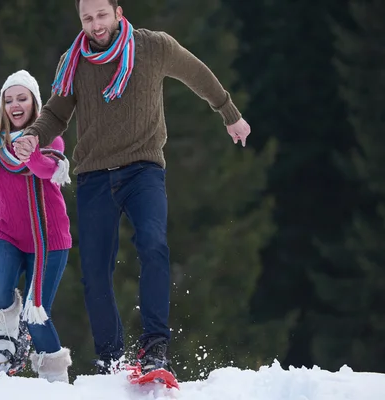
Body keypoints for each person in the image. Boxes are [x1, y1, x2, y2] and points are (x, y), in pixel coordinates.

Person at [13, 0, 251, 376]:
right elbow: (57, 114)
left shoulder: (153, 47)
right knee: (94, 272)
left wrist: (230, 114)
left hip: (143, 170)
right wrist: (31, 136)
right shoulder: (72, 61)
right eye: (87, 18)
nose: (95, 25)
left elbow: (197, 74)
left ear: (118, 12)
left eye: (101, 15)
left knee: (153, 245)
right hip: (94, 176)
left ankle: (155, 348)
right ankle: (111, 360)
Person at [0, 70, 73, 383]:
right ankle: (3, 346)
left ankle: (56, 381)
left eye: (22, 98)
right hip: (8, 233)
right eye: (9, 100)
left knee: (36, 316)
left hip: (49, 240)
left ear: (34, 104)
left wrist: (30, 153)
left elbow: (47, 171)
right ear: (3, 106)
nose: (15, 104)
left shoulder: (50, 138)